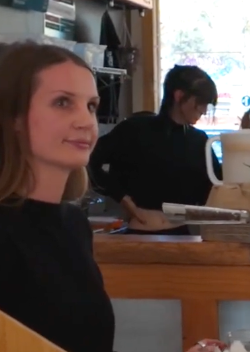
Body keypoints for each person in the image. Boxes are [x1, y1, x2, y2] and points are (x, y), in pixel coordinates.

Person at [0, 43, 220, 352]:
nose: (85, 121)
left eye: (91, 105)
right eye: (63, 102)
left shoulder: (72, 225)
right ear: (14, 118)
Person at [88, 65, 219, 235]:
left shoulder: (199, 140)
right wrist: (121, 197)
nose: (204, 110)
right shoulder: (133, 130)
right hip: (138, 236)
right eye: (200, 102)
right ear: (179, 96)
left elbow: (217, 184)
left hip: (183, 236)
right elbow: (90, 160)